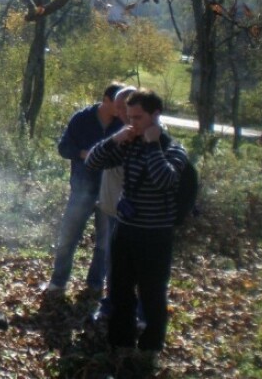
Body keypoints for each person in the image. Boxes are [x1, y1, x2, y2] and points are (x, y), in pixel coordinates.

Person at [85, 89, 187, 363]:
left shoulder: (173, 149)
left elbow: (165, 180)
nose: (133, 123)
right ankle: (121, 343)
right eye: (129, 117)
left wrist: (153, 146)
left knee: (152, 293)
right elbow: (93, 162)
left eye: (138, 117)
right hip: (126, 230)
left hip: (155, 235)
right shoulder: (129, 142)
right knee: (119, 290)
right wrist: (114, 139)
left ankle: (150, 349)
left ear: (156, 115)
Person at [45, 83, 123, 296]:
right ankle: (58, 283)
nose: (121, 108)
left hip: (110, 191)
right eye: (118, 104)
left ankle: (95, 284)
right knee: (68, 237)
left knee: (104, 243)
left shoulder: (123, 124)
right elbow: (63, 148)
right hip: (82, 189)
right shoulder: (82, 119)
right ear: (105, 100)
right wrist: (82, 153)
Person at [93, 86, 138, 322]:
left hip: (134, 214)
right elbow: (95, 159)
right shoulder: (119, 131)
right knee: (112, 260)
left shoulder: (146, 135)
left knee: (134, 265)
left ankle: (137, 313)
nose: (118, 111)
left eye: (123, 107)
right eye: (117, 106)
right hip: (110, 207)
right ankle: (111, 304)